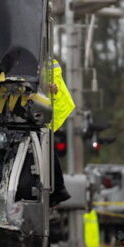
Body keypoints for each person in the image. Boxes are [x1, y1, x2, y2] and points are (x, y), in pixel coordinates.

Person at [49, 59, 75, 205]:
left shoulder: (48, 62)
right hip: (51, 107)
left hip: (55, 107)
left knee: (46, 146)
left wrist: (55, 89)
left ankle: (59, 189)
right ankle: (59, 189)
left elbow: (55, 81)